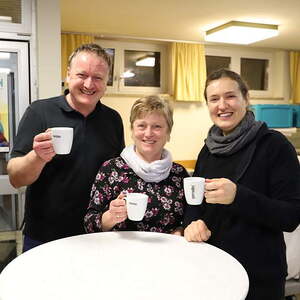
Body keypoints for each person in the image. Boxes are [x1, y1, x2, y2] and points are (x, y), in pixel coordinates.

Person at [183, 69, 300, 300]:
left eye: (230, 96)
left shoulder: (274, 145)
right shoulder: (208, 150)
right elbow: (194, 202)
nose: (222, 105)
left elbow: (291, 216)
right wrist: (192, 222)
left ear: (246, 99)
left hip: (258, 277)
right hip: (212, 270)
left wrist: (238, 197)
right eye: (214, 99)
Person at [7, 43, 125, 251]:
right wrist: (38, 156)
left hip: (98, 236)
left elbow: (119, 173)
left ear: (106, 82)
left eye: (98, 77)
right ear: (68, 75)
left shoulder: (113, 120)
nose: (89, 84)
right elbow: (16, 178)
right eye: (82, 75)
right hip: (44, 237)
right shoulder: (39, 112)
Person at [84, 95, 189, 234]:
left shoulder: (179, 174)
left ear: (168, 133)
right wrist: (110, 216)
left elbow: (191, 219)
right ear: (132, 131)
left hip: (166, 253)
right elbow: (89, 224)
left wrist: (181, 230)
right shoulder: (111, 169)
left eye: (157, 126)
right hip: (120, 252)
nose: (148, 133)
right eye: (141, 126)